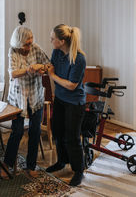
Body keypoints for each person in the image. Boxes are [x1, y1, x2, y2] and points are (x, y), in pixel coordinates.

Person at [0, 26, 50, 178]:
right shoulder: (13, 51)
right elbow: (13, 73)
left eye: (30, 43)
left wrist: (41, 68)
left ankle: (31, 165)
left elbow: (48, 64)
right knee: (17, 132)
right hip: (18, 98)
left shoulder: (36, 48)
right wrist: (29, 69)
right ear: (18, 43)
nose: (29, 47)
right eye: (26, 44)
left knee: (35, 132)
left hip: (35, 96)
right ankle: (7, 164)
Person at [46, 24, 86, 186]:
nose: (51, 41)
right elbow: (51, 67)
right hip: (61, 100)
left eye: (52, 38)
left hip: (75, 103)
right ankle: (62, 161)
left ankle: (79, 170)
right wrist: (45, 69)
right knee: (57, 132)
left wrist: (51, 74)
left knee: (72, 137)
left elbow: (71, 85)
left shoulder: (79, 58)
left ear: (62, 41)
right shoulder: (57, 52)